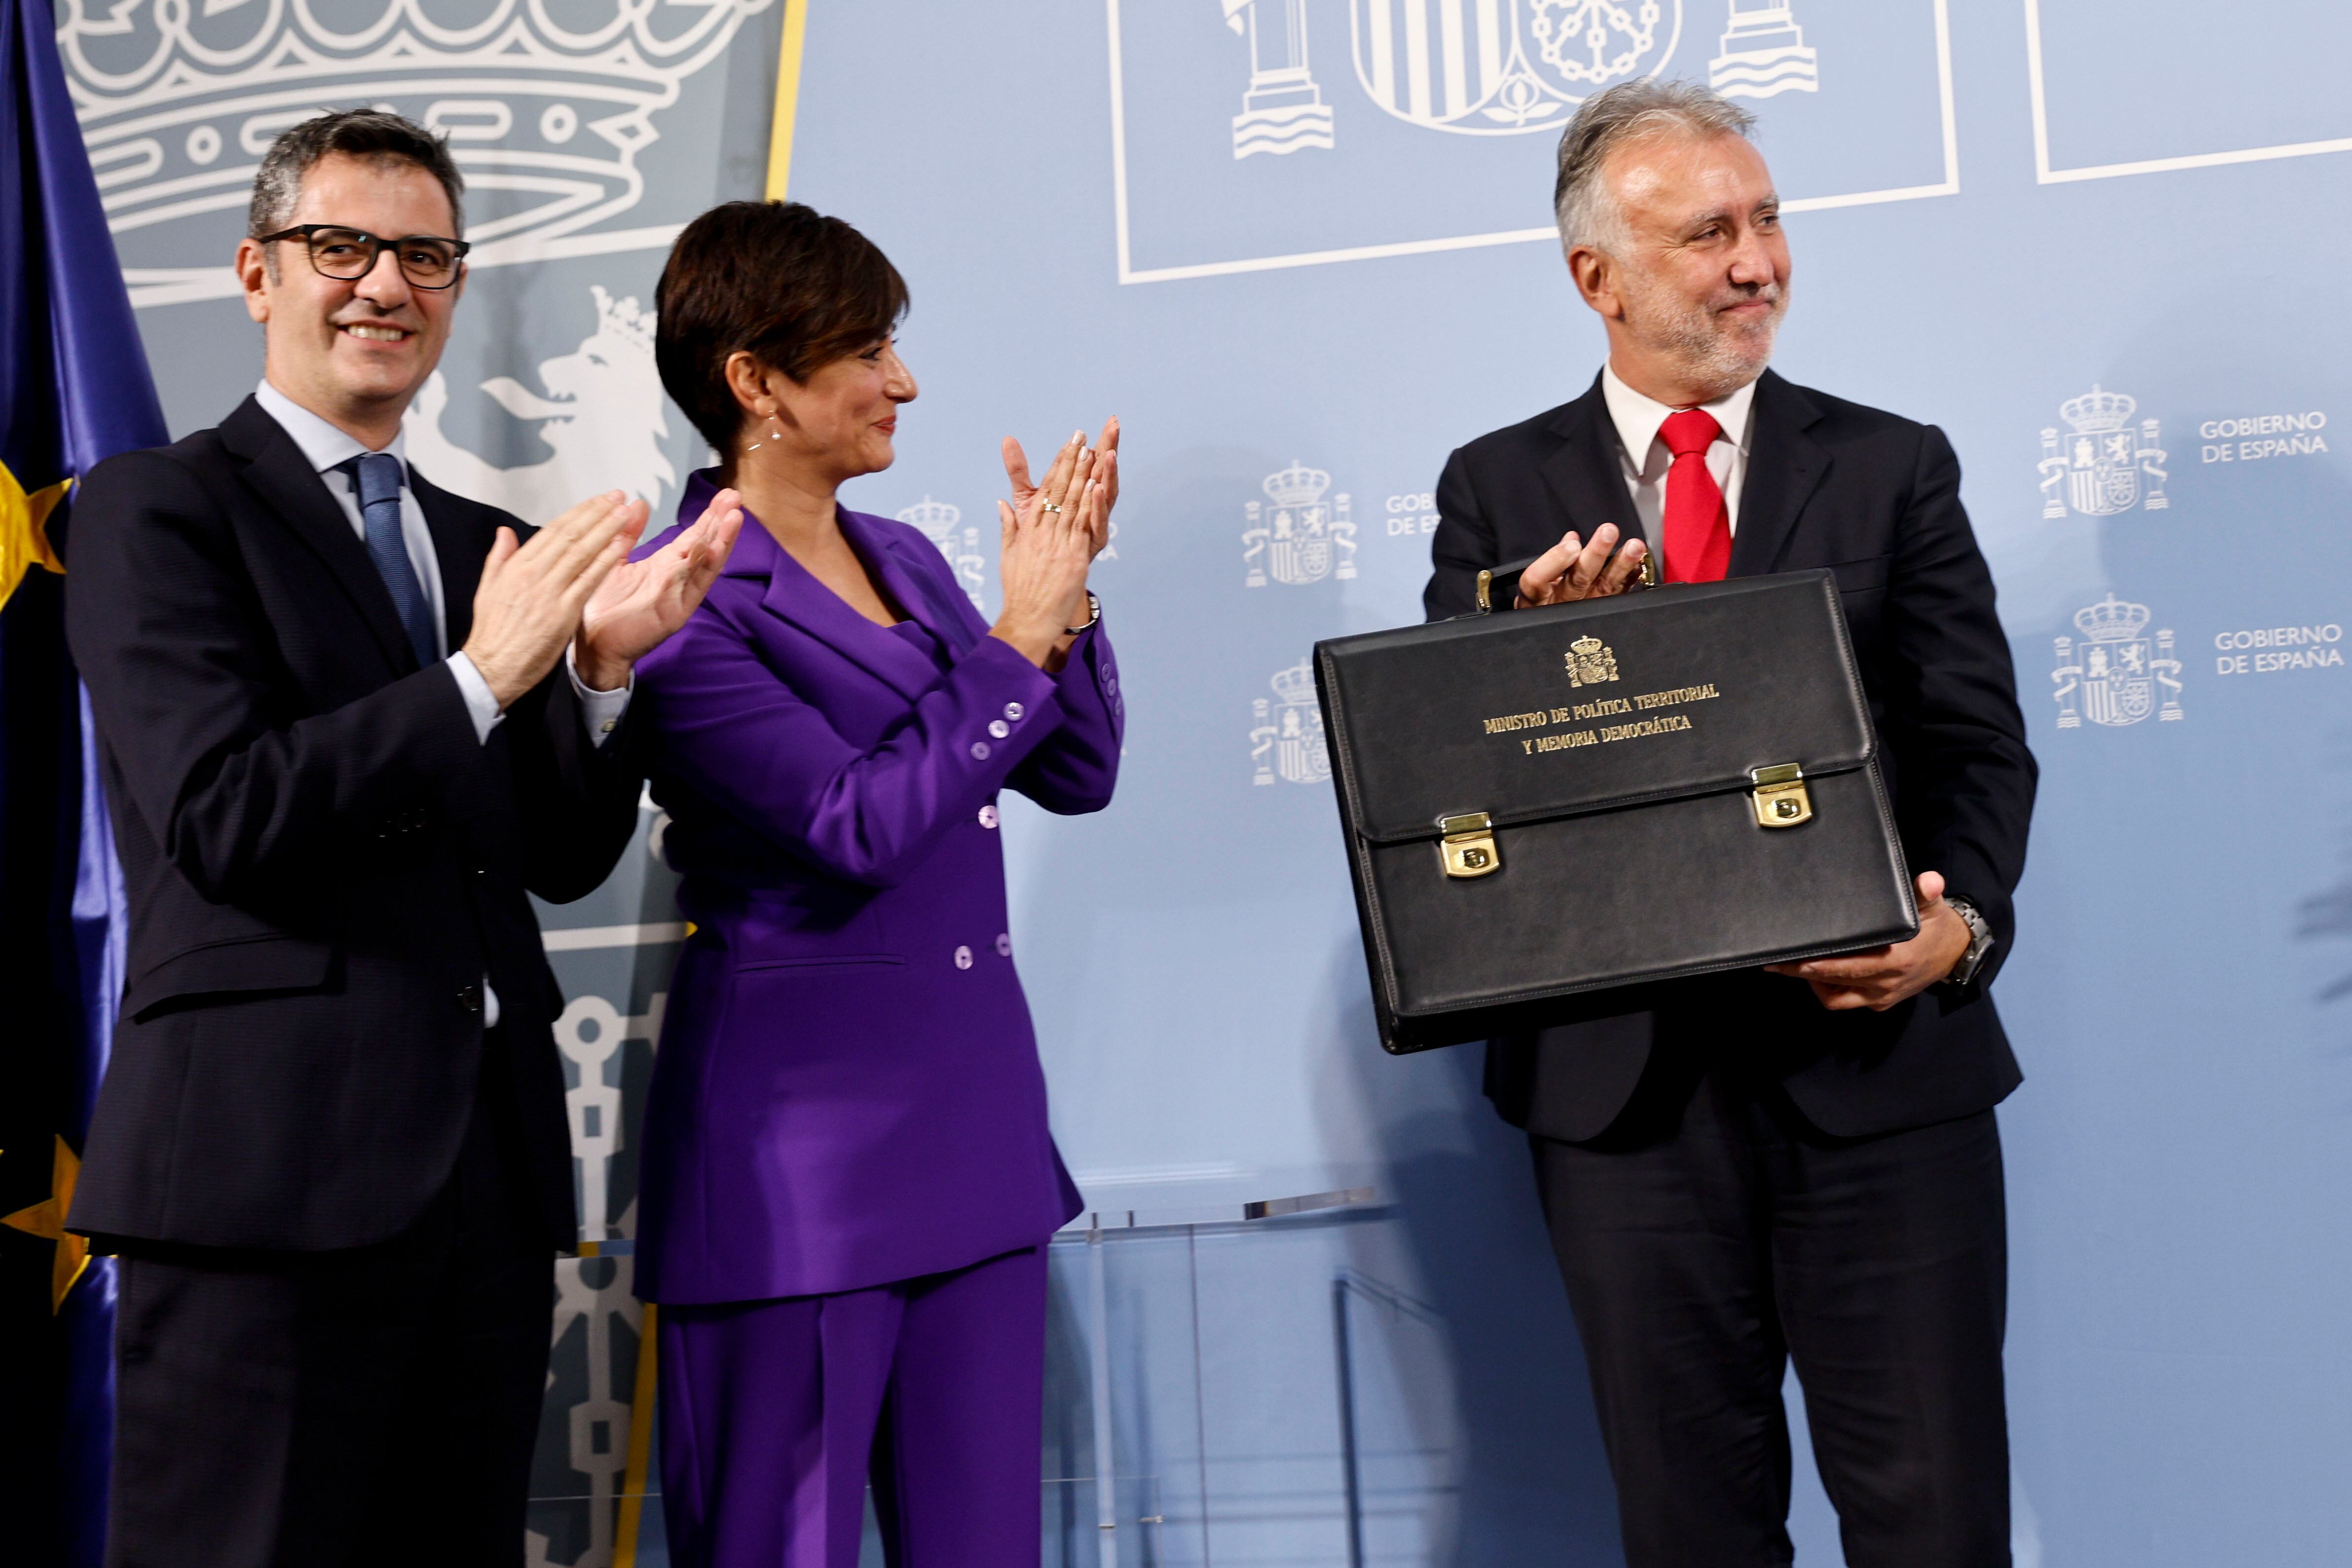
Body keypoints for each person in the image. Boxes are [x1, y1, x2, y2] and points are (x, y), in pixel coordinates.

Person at [63, 111, 741, 1567]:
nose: (385, 283)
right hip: (262, 1180)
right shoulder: (155, 509)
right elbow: (223, 816)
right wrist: (481, 679)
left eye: (425, 256)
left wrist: (598, 677)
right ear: (258, 273)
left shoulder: (479, 534)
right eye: (340, 246)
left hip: (481, 1185)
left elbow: (555, 856)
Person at [1423, 81, 2036, 1567]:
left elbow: (1974, 749)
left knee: (1932, 1517)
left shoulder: (1891, 466)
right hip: (1627, 1110)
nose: (1756, 260)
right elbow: (1460, 802)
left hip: (1878, 1078)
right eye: (1709, 233)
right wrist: (1522, 661)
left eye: (1764, 220)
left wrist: (1957, 931)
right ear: (1597, 279)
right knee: (1687, 1528)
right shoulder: (1496, 494)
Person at [626, 200, 1122, 1568]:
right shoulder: (676, 596)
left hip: (975, 1134)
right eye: (864, 350)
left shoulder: (899, 555)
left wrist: (1063, 598)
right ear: (755, 384)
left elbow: (1071, 772)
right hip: (801, 1169)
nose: (900, 383)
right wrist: (1016, 638)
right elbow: (852, 825)